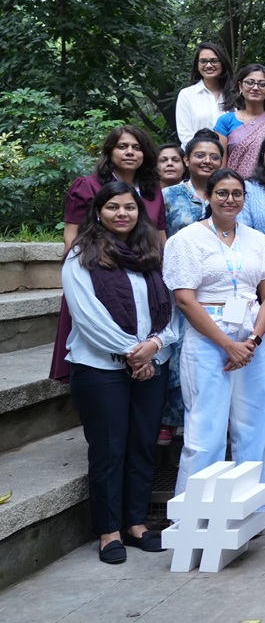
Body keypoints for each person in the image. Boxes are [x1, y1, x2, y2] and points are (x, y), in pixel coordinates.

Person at [61, 183, 177, 563]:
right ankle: (109, 531)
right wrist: (133, 353)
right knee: (109, 449)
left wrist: (154, 345)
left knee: (142, 445)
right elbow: (86, 315)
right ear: (98, 212)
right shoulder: (82, 254)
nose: (122, 213)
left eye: (129, 207)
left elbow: (171, 309)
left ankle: (136, 523)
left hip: (151, 363)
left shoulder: (150, 255)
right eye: (113, 207)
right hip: (100, 368)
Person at [163, 169, 265, 495]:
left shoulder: (257, 240)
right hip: (207, 337)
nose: (230, 199)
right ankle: (193, 512)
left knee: (254, 422)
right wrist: (228, 345)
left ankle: (252, 504)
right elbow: (184, 299)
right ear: (209, 196)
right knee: (207, 426)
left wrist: (253, 340)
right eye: (222, 193)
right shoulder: (186, 239)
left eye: (237, 193)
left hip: (251, 339)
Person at [64, 126, 167, 251]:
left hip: (146, 260)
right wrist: (74, 261)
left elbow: (160, 236)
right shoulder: (88, 186)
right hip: (99, 260)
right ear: (110, 151)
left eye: (137, 148)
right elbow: (72, 235)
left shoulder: (152, 189)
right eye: (122, 147)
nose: (130, 152)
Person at [164, 133, 224, 237]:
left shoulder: (229, 195)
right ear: (186, 160)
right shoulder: (167, 194)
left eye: (214, 157)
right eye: (200, 156)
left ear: (221, 162)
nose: (207, 161)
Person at [175, 42, 230, 145]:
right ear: (197, 64)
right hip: (196, 154)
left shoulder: (234, 95)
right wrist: (208, 153)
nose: (208, 65)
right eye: (203, 61)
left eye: (214, 61)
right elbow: (185, 135)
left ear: (222, 63)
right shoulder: (186, 95)